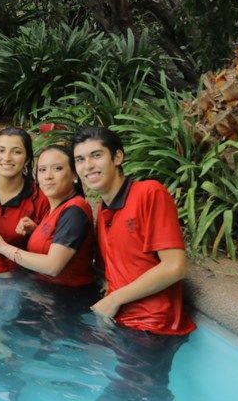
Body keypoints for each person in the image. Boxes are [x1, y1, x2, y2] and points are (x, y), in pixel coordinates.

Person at [72, 126, 194, 335]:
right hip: (117, 320)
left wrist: (114, 300)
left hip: (151, 328)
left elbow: (176, 266)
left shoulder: (149, 193)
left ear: (117, 157)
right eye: (80, 159)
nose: (88, 165)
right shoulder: (103, 209)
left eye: (96, 155)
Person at [0, 144, 95, 288]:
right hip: (43, 289)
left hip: (67, 296)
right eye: (42, 170)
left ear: (75, 174)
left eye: (57, 168)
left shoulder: (75, 210)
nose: (48, 176)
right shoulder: (54, 209)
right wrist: (36, 231)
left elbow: (53, 267)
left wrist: (2, 247)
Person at [0, 127, 49, 249]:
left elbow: (49, 246)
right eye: (1, 150)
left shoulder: (40, 199)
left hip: (17, 261)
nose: (7, 158)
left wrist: (35, 231)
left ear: (27, 159)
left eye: (16, 152)